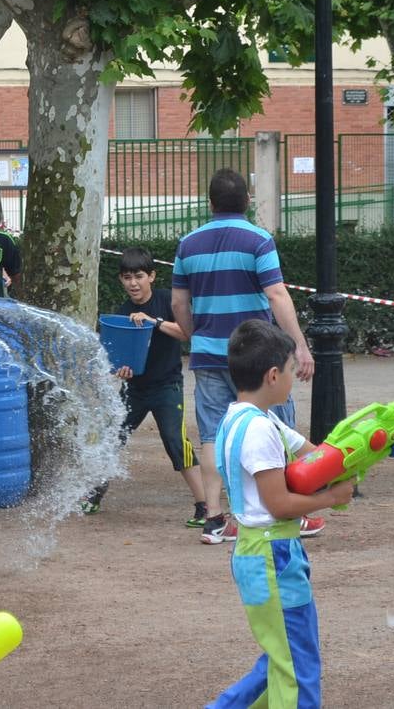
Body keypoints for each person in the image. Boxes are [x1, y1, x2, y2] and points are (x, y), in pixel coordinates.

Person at [206, 319, 351, 709]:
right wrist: (332, 498)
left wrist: (387, 441)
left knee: (280, 657)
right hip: (273, 556)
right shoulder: (259, 431)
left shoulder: (246, 418)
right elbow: (280, 504)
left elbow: (324, 457)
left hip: (265, 555)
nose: (294, 377)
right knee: (297, 670)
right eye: (291, 369)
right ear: (273, 375)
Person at [172, 168, 319, 545]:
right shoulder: (259, 240)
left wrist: (195, 336)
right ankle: (288, 510)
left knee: (210, 436)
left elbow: (178, 302)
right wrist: (299, 345)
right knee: (277, 430)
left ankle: (215, 518)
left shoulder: (188, 243)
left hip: (207, 355)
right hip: (256, 355)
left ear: (209, 203)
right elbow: (277, 295)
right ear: (248, 201)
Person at [81, 247, 206, 526]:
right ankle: (94, 495)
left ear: (152, 276)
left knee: (176, 442)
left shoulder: (167, 301)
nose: (133, 283)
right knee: (112, 439)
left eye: (139, 275)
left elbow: (187, 333)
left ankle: (204, 506)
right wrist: (121, 372)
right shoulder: (123, 314)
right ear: (121, 281)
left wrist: (154, 322)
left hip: (167, 387)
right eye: (127, 277)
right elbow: (119, 363)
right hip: (134, 391)